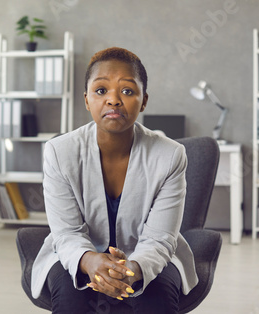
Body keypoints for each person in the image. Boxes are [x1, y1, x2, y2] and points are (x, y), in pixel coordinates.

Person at [31, 47, 198, 313]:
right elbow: (67, 234)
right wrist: (90, 262)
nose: (113, 100)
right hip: (77, 253)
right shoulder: (59, 152)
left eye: (128, 91)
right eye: (101, 91)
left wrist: (131, 269)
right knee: (70, 300)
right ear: (87, 100)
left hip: (148, 256)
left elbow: (159, 239)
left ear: (143, 101)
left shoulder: (170, 155)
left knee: (158, 301)